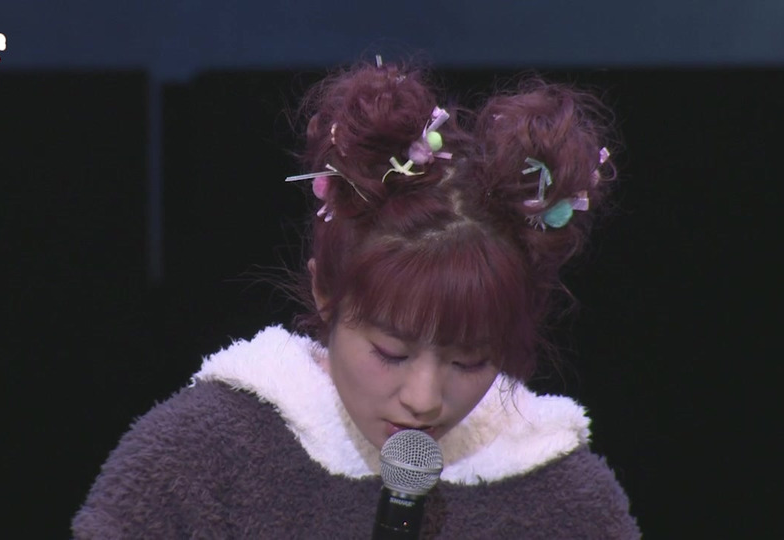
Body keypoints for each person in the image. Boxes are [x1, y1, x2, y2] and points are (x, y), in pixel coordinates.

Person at [72, 59, 640, 538]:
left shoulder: (564, 496)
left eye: (470, 361)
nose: (424, 400)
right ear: (326, 294)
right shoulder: (203, 456)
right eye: (392, 352)